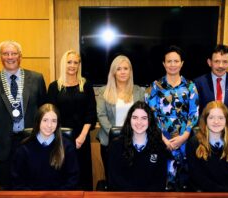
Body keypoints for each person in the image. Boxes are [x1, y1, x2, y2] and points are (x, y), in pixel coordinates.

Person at [0, 40, 47, 190]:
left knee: (33, 185)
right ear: (0, 57)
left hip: (30, 141)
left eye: (14, 53)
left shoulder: (36, 78)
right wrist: (0, 126)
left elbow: (43, 109)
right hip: (2, 144)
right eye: (6, 53)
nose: (10, 57)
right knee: (6, 186)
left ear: (20, 56)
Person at [145, 45, 199, 190]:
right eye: (169, 61)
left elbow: (194, 113)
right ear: (164, 64)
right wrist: (162, 138)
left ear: (182, 63)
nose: (172, 64)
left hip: (184, 140)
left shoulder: (190, 86)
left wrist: (185, 136)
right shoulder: (155, 87)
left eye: (176, 61)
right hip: (161, 139)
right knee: (161, 181)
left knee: (184, 182)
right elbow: (150, 114)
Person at [47, 49, 97, 190]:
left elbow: (91, 113)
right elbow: (50, 116)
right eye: (69, 62)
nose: (72, 65)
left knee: (82, 175)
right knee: (62, 174)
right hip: (59, 139)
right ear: (64, 63)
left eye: (76, 62)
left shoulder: (86, 85)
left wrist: (82, 137)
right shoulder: (54, 87)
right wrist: (59, 138)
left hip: (82, 138)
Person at [96, 55, 145, 183]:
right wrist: (116, 135)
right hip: (110, 141)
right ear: (113, 72)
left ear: (130, 71)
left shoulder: (138, 91)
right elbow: (101, 115)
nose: (123, 72)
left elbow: (143, 115)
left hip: (135, 141)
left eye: (126, 68)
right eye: (119, 69)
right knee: (112, 178)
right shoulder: (103, 91)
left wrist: (129, 135)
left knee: (132, 178)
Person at [186, 101, 228, 192]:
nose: (216, 122)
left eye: (221, 118)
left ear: (226, 120)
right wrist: (226, 193)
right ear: (205, 120)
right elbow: (197, 179)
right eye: (211, 117)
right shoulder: (194, 144)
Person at [11, 103, 79, 190]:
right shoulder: (23, 148)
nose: (49, 125)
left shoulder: (67, 147)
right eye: (45, 120)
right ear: (38, 121)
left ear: (58, 123)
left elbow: (73, 180)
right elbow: (17, 182)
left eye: (54, 121)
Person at [108, 101, 168, 191]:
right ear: (129, 120)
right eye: (135, 117)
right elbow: (114, 179)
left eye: (144, 118)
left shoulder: (159, 146)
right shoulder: (116, 145)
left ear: (149, 121)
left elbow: (160, 181)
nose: (139, 122)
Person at [194, 44, 228, 127]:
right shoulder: (199, 83)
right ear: (209, 62)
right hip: (205, 132)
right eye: (217, 61)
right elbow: (194, 112)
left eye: (225, 62)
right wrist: (208, 127)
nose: (221, 66)